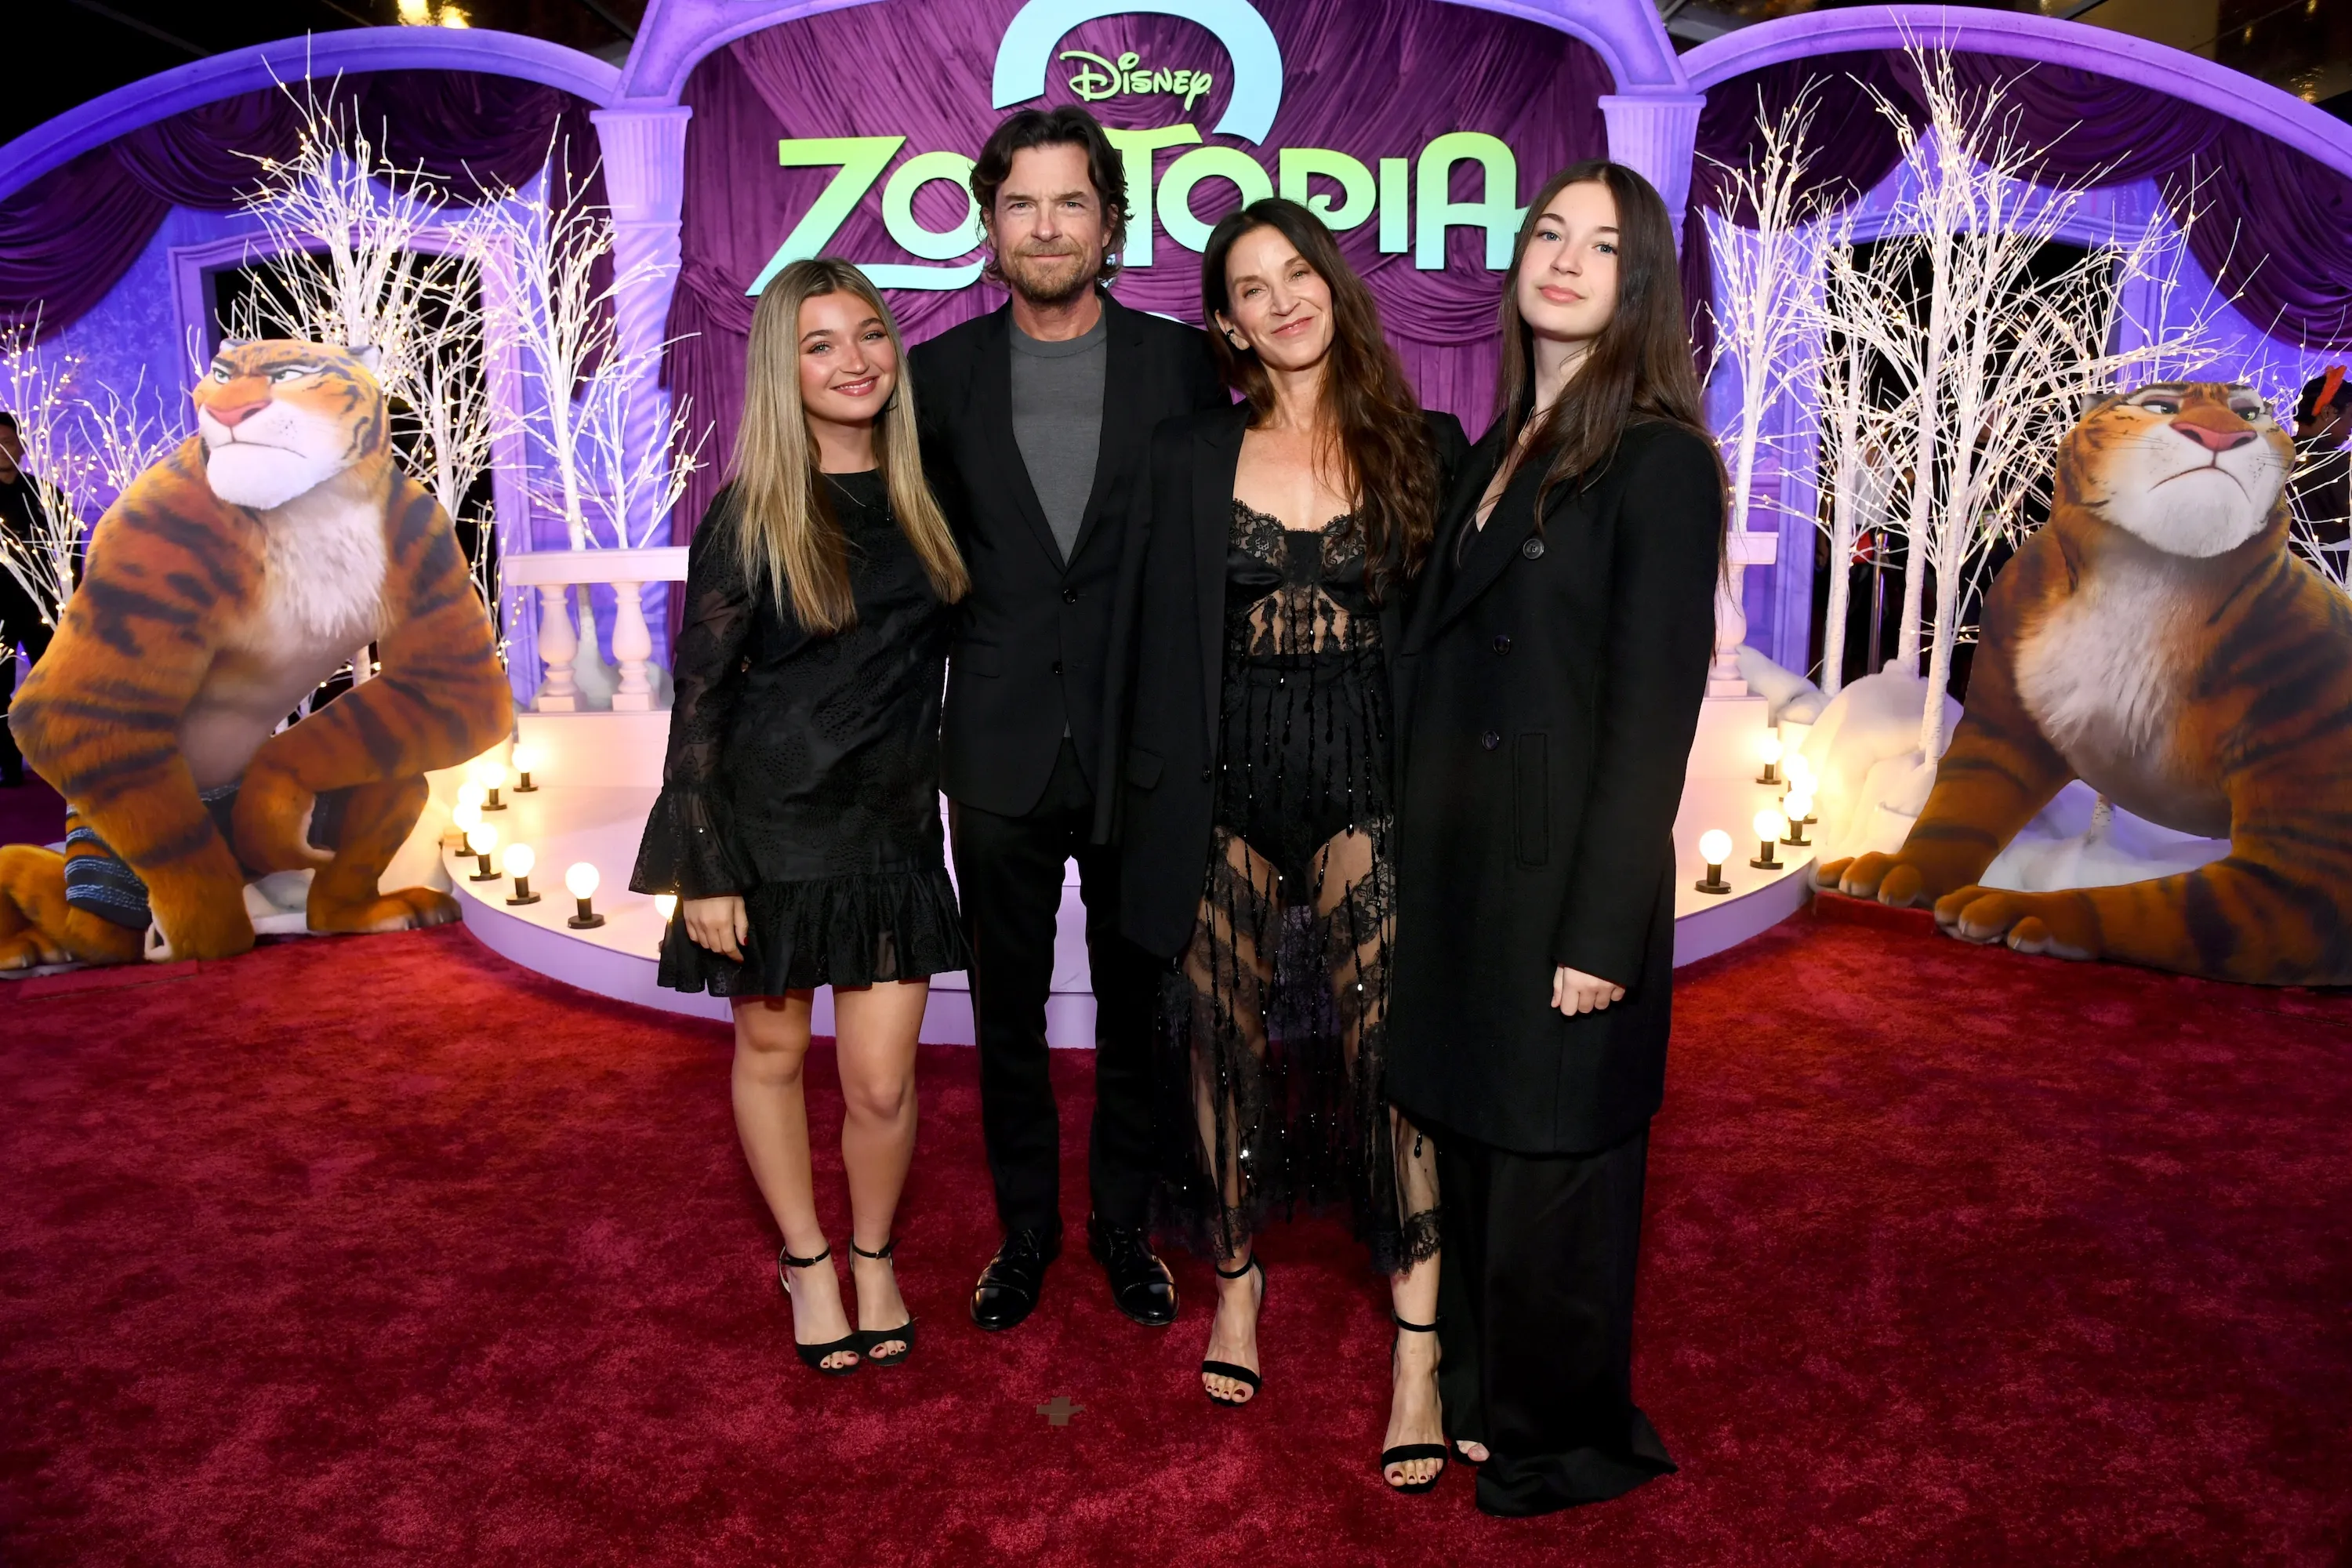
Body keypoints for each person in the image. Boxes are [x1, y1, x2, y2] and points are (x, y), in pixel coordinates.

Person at [1100, 198, 1467, 1492]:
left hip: (1371, 784)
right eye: (1250, 287)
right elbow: (1135, 644)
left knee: (1392, 1060)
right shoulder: (1182, 456)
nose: (1279, 299)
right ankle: (1239, 1281)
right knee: (1218, 1045)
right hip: (1223, 792)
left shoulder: (1428, 445)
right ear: (1226, 326)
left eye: (1294, 272)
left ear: (1330, 286)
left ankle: (1417, 1353)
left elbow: (1463, 648)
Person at [1385, 161, 1722, 1516]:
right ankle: (1480, 1394)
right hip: (1468, 864)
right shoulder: (1497, 442)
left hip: (1565, 875)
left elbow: (1653, 720)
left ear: (1639, 288)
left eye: (1605, 246)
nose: (1568, 260)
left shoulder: (1659, 461)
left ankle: (1560, 1435)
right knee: (1475, 1136)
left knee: (1553, 1165)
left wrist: (1602, 932)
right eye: (1550, 234)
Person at [909, 105, 1227, 1332]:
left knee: (1145, 1008)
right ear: (991, 223)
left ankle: (1122, 1224)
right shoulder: (933, 380)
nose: (1047, 227)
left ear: (1110, 226)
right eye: (1022, 204)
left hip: (1144, 749)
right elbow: (914, 569)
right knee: (1005, 1015)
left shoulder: (1184, 369)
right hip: (992, 748)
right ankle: (1028, 1231)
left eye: (1072, 204)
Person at [630, 259, 972, 1377]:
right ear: (783, 365)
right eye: (820, 343)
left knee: (880, 1081)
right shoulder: (749, 514)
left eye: (868, 333)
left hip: (889, 833)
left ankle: (876, 1253)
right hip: (768, 835)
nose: (854, 360)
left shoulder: (930, 501)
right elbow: (702, 698)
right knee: (773, 1057)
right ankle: (808, 1259)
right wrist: (706, 866)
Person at [0, 412, 55, 789]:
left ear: (22, 446)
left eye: (10, 440)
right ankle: (8, 766)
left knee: (51, 686)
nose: (4, 449)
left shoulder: (44, 494)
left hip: (42, 608)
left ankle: (57, 760)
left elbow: (69, 553)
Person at [2290, 367, 2350, 557]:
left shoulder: (2268, 454)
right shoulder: (2341, 465)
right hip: (2325, 577)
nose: (2351, 429)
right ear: (2327, 412)